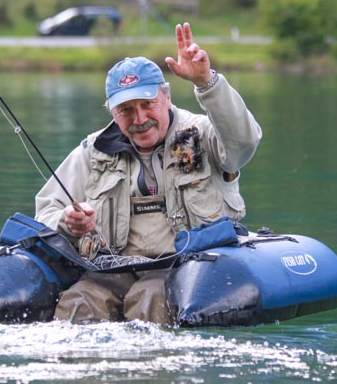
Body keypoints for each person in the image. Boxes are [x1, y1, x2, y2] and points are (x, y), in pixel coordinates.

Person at [35, 22, 262, 325]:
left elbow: (244, 143)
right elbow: (45, 211)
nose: (139, 118)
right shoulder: (93, 151)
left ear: (166, 97)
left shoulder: (203, 135)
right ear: (111, 111)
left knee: (150, 298)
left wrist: (207, 84)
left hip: (189, 268)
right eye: (125, 110)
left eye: (147, 104)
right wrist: (68, 221)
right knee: (79, 301)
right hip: (113, 270)